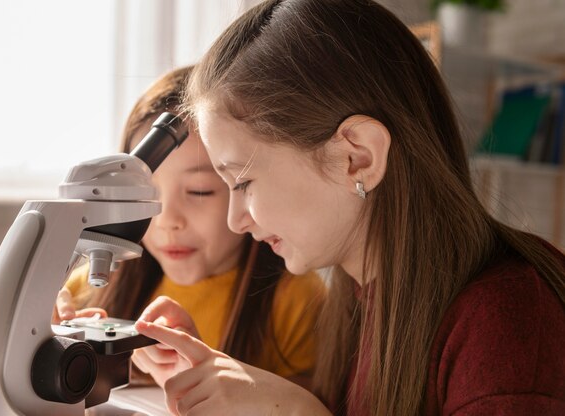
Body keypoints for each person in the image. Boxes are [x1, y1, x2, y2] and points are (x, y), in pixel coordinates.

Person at [132, 1, 565, 415]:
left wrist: (299, 413)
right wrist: (208, 378)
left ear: (358, 156)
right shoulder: (359, 298)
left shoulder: (508, 318)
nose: (236, 220)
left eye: (242, 182)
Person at [0, 66, 325, 390]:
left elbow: (310, 404)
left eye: (199, 191)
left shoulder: (294, 299)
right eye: (146, 199)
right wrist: (31, 313)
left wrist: (207, 371)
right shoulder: (105, 283)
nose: (167, 220)